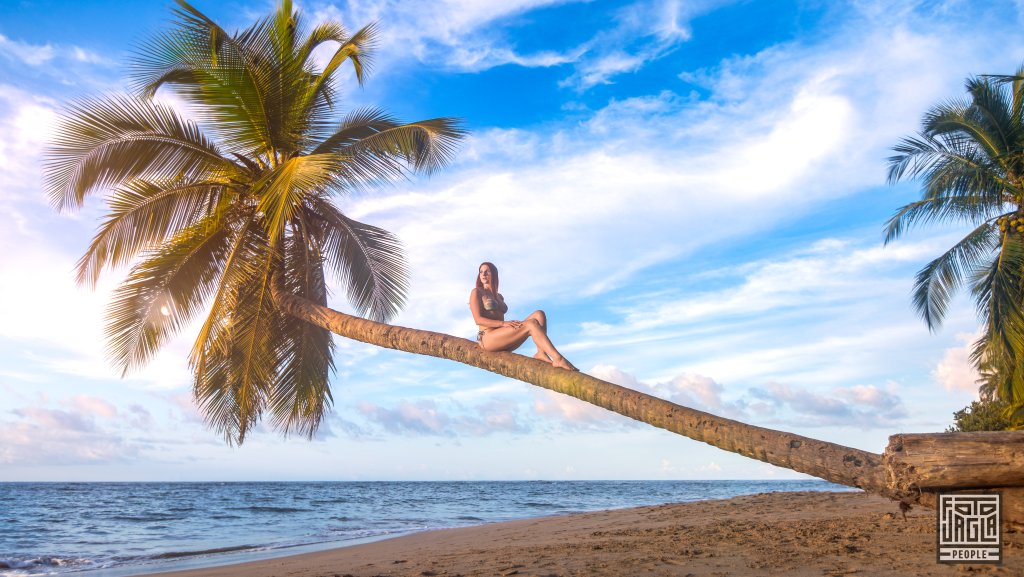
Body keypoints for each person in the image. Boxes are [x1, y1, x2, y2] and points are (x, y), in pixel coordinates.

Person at [470, 262, 578, 371]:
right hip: (488, 338)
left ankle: (541, 353)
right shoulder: (477, 292)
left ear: (493, 274)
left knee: (539, 314)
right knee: (531, 324)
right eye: (481, 272)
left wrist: (504, 325)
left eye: (487, 271)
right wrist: (503, 323)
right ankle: (558, 358)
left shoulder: (499, 297)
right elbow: (478, 320)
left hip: (503, 337)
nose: (483, 274)